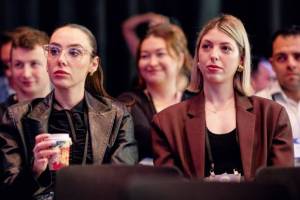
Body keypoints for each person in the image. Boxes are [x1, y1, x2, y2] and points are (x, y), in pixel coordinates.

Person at [0, 24, 138, 199]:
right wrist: (34, 170)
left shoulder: (117, 116)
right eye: (54, 51)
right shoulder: (15, 117)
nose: (61, 60)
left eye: (74, 52)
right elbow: (7, 192)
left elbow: (122, 182)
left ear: (93, 65)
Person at [151, 14, 294, 181]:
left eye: (225, 48)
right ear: (197, 58)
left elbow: (282, 186)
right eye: (206, 47)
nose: (214, 55)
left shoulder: (273, 115)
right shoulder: (167, 122)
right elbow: (168, 190)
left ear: (241, 59)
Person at [118, 23, 192, 163]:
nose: (152, 62)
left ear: (180, 59)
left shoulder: (195, 102)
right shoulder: (128, 102)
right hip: (145, 181)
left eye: (160, 54)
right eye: (145, 56)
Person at [256, 25, 300, 164]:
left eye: (298, 56)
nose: (291, 64)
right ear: (272, 64)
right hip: (278, 182)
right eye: (282, 58)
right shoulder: (258, 104)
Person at [0, 27, 52, 118]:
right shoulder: (2, 116)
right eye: (18, 64)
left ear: (50, 65)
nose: (26, 74)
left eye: (34, 64)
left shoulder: (69, 111)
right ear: (11, 67)